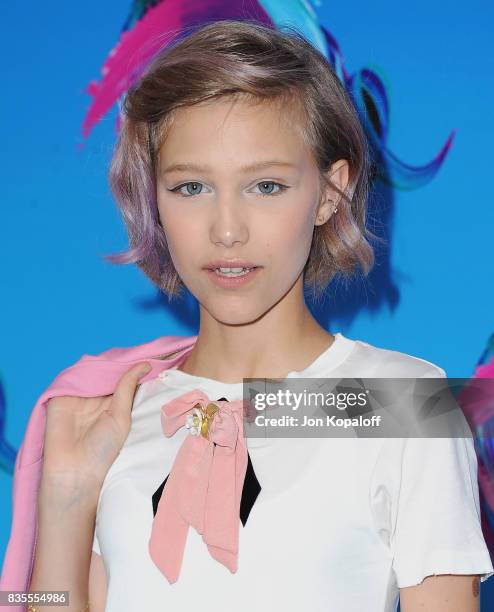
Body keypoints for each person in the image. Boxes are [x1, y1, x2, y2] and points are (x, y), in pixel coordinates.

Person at [26, 19, 493, 612]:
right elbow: (30, 597)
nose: (226, 230)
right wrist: (65, 501)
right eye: (191, 187)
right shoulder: (113, 413)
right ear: (153, 198)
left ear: (330, 192)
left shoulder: (401, 403)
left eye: (266, 186)